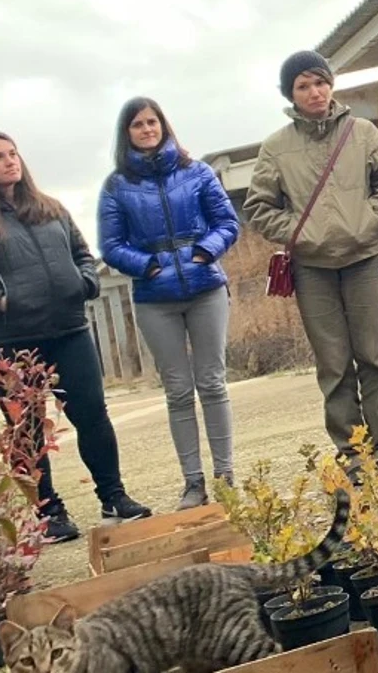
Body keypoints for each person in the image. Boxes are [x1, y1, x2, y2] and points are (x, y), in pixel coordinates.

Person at [0, 132, 152, 541]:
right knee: (28, 431)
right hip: (8, 342)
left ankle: (114, 496)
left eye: (13, 153)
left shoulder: (50, 208)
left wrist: (87, 282)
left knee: (92, 414)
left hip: (69, 331)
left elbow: (83, 254)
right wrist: (0, 301)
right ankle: (47, 512)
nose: (9, 162)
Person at [243, 51, 378, 478]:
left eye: (320, 82)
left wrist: (368, 222)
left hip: (365, 258)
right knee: (333, 363)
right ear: (290, 94)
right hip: (312, 268)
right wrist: (302, 231)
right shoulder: (276, 147)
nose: (315, 92)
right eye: (303, 85)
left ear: (331, 84)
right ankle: (352, 450)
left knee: (373, 355)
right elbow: (259, 207)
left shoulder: (363, 132)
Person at [96, 97, 241, 510]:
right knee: (178, 390)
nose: (146, 129)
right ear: (127, 133)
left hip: (205, 289)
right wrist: (149, 266)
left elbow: (228, 223)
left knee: (212, 383)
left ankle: (225, 475)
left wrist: (204, 252)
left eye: (152, 122)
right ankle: (193, 483)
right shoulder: (117, 186)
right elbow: (111, 245)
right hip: (155, 298)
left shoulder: (196, 172)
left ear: (164, 125)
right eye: (138, 125)